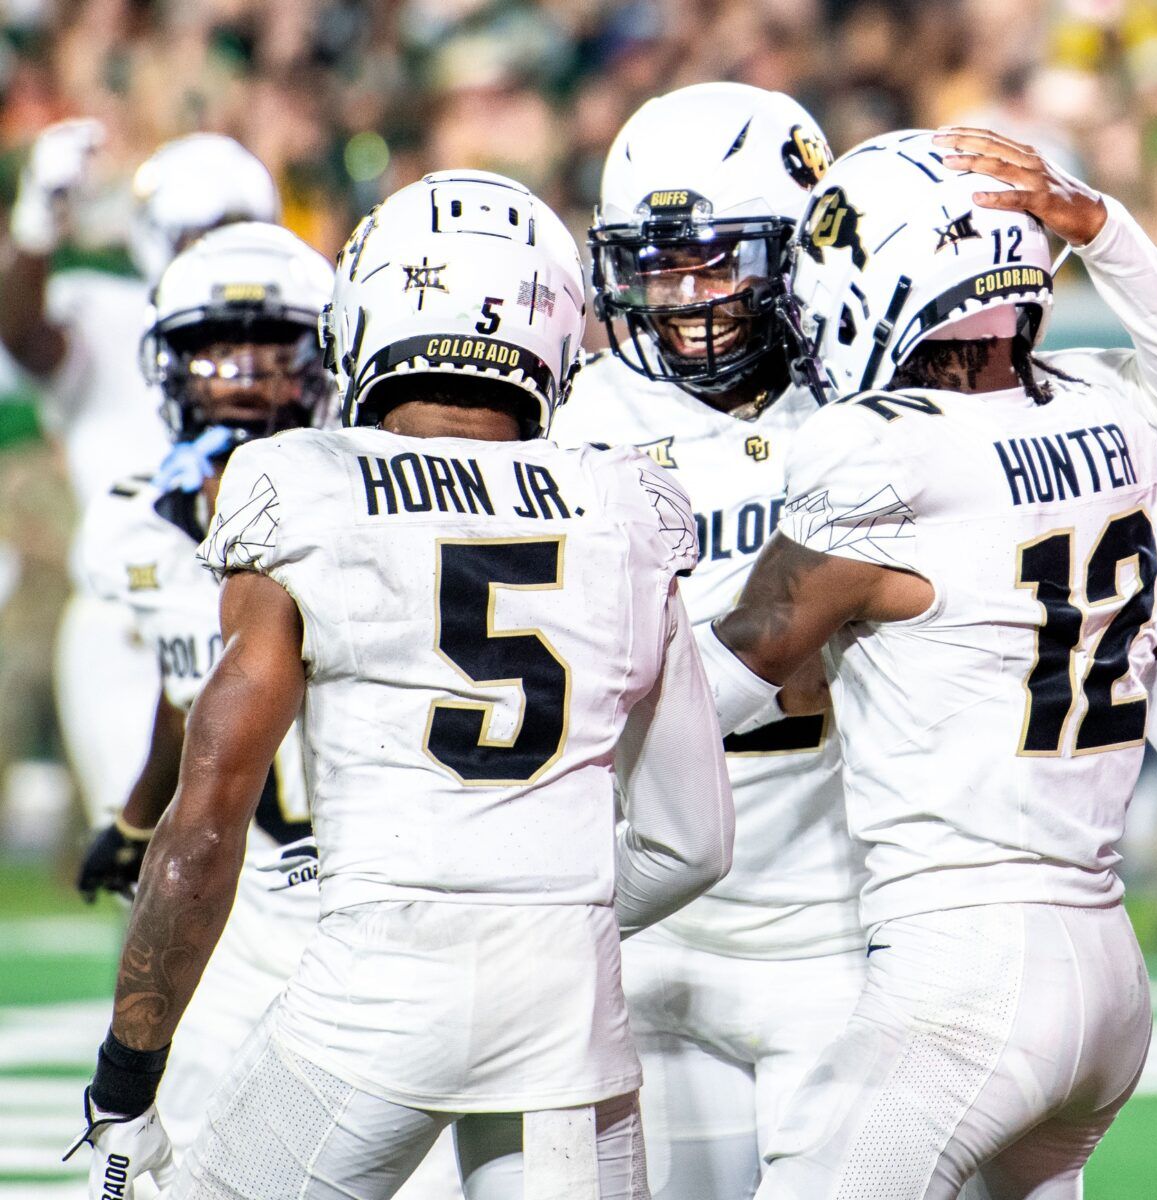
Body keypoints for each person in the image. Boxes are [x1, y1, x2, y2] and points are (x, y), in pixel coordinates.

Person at [699, 127, 1157, 1197]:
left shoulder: (882, 453)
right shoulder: (1105, 426)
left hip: (961, 976)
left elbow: (726, 680)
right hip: (1108, 982)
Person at [68, 170, 734, 1200]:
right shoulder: (629, 504)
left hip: (371, 1000)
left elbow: (202, 833)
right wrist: (548, 918)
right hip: (567, 1021)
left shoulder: (301, 484)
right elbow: (693, 843)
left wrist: (126, 1077)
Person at [67, 220, 462, 1196]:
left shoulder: (368, 500)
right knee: (178, 1164)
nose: (244, 377)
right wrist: (133, 817)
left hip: (368, 895)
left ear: (324, 361)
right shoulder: (134, 514)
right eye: (214, 349)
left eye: (275, 351)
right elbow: (191, 687)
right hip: (233, 917)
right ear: (168, 364)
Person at [547, 81, 861, 1199]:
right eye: (656, 265)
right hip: (635, 903)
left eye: (718, 260)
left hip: (828, 904)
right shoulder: (575, 420)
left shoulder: (867, 411)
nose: (684, 298)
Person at [0, 124, 279, 825]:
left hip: (248, 612)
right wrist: (37, 220)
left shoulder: (285, 332)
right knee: (149, 851)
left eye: (237, 228)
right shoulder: (114, 312)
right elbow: (24, 335)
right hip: (130, 617)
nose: (222, 248)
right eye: (206, 231)